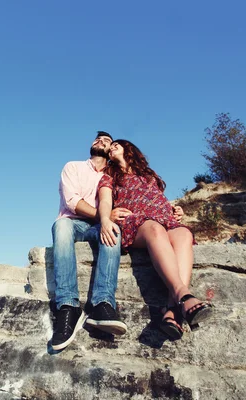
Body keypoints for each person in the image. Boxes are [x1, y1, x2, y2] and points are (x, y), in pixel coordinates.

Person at [50, 131, 183, 351]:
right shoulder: (73, 166)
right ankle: (67, 306)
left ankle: (102, 303)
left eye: (107, 141)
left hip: (100, 225)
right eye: (97, 140)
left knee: (115, 230)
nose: (101, 142)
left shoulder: (115, 174)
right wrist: (104, 216)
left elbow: (142, 198)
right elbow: (72, 201)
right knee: (61, 225)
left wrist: (172, 209)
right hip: (75, 222)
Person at [98, 139, 212, 340]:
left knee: (185, 234)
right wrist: (106, 219)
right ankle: (183, 295)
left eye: (116, 144)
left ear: (129, 149)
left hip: (164, 218)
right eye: (110, 147)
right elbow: (106, 200)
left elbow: (158, 198)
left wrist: (175, 209)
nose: (112, 147)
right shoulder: (109, 175)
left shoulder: (150, 175)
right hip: (137, 221)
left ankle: (172, 310)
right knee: (155, 230)